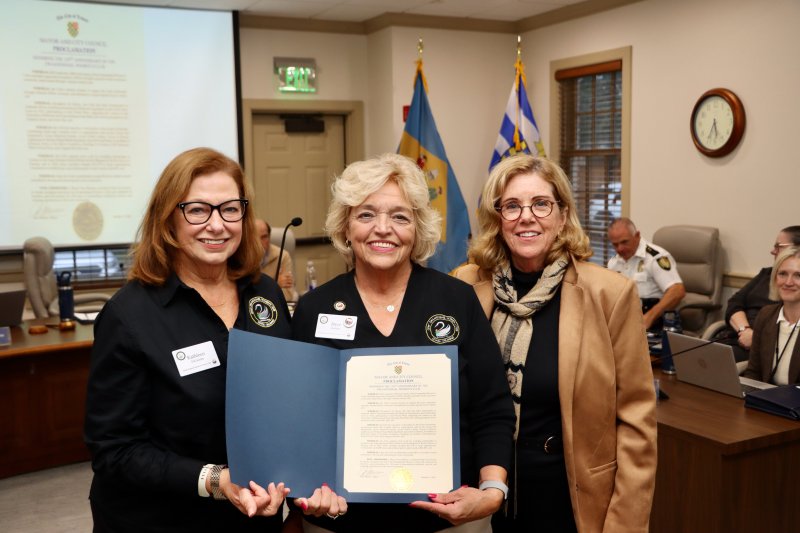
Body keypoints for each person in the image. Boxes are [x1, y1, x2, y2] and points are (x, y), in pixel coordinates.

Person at [290, 153, 515, 533]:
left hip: (450, 520)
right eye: (366, 215)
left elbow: (492, 408)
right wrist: (307, 489)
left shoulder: (457, 301)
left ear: (418, 228)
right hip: (340, 521)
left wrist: (492, 492)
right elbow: (297, 419)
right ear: (345, 227)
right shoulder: (315, 309)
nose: (383, 229)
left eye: (399, 216)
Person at [84, 147, 292, 533]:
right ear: (168, 220)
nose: (217, 225)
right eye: (197, 210)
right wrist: (217, 480)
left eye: (230, 208)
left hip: (254, 514)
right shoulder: (129, 316)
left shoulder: (266, 294)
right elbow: (115, 450)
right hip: (161, 518)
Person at [452, 154, 657, 533]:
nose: (526, 217)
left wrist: (624, 525)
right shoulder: (466, 285)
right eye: (511, 206)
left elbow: (636, 420)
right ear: (497, 219)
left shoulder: (609, 293)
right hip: (476, 490)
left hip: (567, 494)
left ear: (562, 215)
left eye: (541, 204)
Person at [712, 226, 800, 362]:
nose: (773, 251)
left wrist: (755, 338)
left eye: (778, 246)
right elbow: (734, 303)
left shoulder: (791, 291)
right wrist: (744, 330)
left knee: (712, 361)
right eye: (782, 274)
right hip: (736, 336)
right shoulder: (766, 274)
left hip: (761, 349)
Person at [607, 217, 686, 331]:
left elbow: (677, 291)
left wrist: (649, 317)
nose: (620, 249)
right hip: (623, 321)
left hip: (652, 322)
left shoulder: (655, 258)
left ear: (637, 235)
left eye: (624, 242)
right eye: (615, 244)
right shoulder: (614, 263)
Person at [742, 246, 800, 385]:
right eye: (783, 274)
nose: (788, 282)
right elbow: (753, 371)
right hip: (765, 401)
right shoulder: (766, 314)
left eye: (798, 275)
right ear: (775, 278)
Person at [256, 217, 299, 302]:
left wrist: (260, 289)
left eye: (264, 237)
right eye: (254, 237)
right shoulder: (242, 258)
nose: (259, 242)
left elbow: (288, 295)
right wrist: (275, 284)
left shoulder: (283, 256)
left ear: (269, 237)